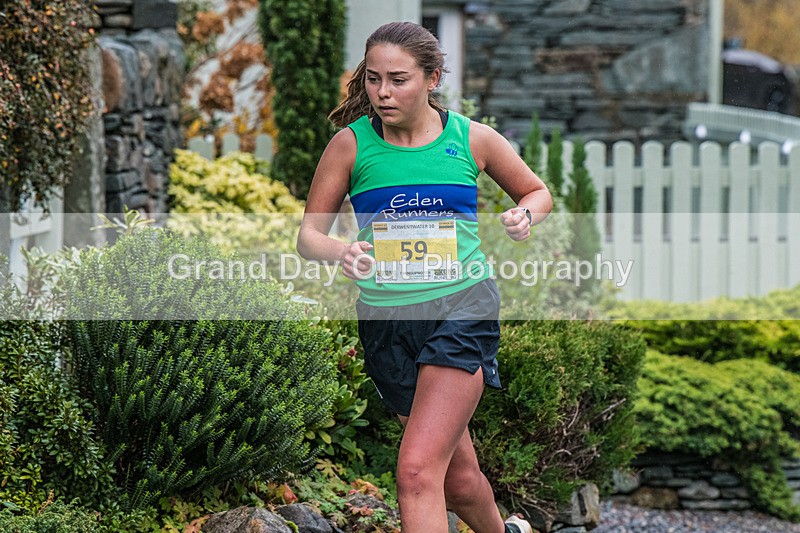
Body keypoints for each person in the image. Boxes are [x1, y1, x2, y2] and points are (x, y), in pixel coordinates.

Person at [296, 21, 552, 533]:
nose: (383, 93)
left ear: (432, 78)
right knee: (457, 482)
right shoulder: (350, 146)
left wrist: (524, 216)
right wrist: (341, 252)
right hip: (388, 321)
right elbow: (308, 236)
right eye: (372, 79)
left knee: (416, 471)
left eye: (398, 79)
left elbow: (536, 192)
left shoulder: (471, 139)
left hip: (461, 309)